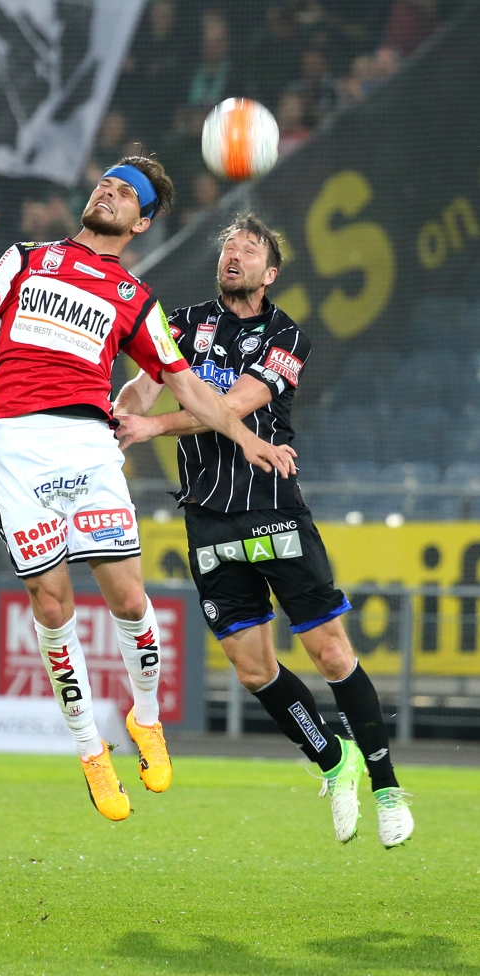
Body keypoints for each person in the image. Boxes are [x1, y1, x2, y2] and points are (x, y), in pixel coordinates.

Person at [0, 161, 294, 823]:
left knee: (129, 597)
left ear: (143, 221)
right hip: (17, 446)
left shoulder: (134, 295)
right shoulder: (24, 259)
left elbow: (186, 386)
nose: (110, 191)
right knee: (51, 604)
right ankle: (89, 751)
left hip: (87, 443)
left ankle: (147, 717)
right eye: (108, 182)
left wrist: (244, 439)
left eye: (128, 193)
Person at [114, 213, 414, 848]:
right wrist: (114, 419)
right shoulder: (181, 323)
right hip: (207, 519)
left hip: (272, 510)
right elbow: (143, 387)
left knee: (330, 652)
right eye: (230, 246)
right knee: (251, 669)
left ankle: (386, 787)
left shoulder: (286, 336)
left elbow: (228, 408)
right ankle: (335, 762)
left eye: (251, 249)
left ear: (269, 273)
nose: (236, 254)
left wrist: (154, 428)